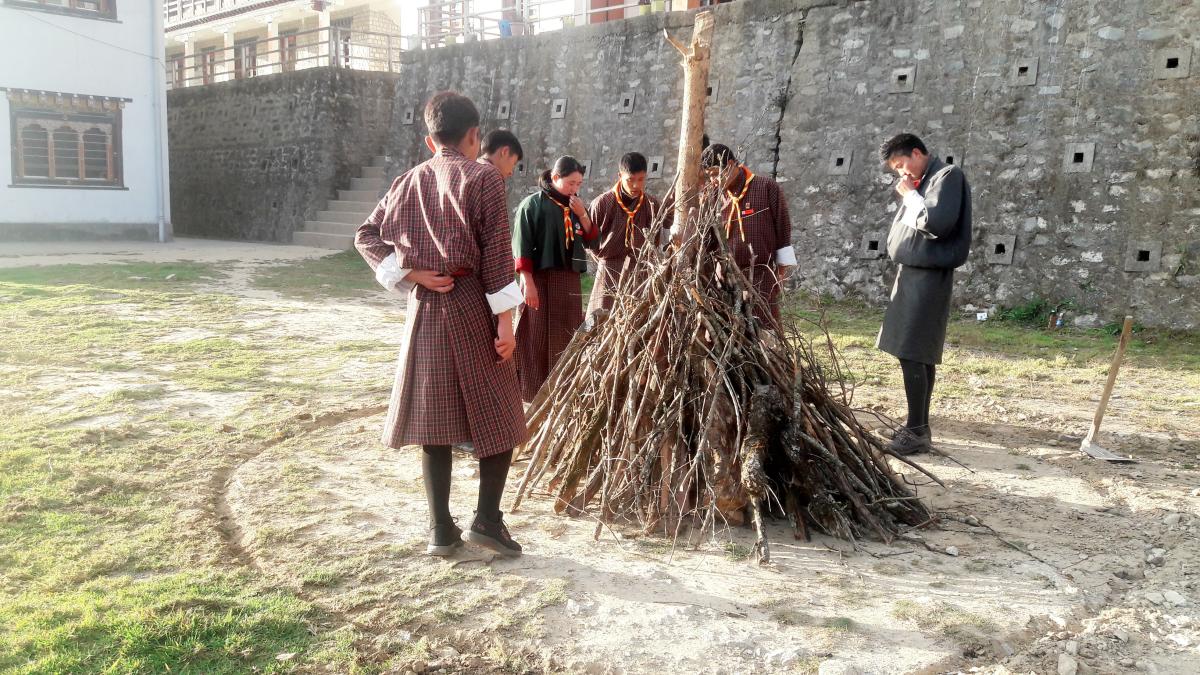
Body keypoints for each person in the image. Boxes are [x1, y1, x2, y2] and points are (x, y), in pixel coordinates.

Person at [354, 91, 527, 557]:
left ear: (430, 140)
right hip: (472, 304)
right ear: (474, 136)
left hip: (426, 308)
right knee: (502, 414)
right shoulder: (485, 176)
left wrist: (409, 273)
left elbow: (366, 235)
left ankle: (440, 531)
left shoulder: (406, 180)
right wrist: (506, 325)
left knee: (434, 421)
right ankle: (487, 521)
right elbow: (495, 255)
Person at [876, 133, 973, 455]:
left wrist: (910, 196)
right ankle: (917, 425)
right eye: (896, 169)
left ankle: (917, 429)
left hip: (927, 276)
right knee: (914, 352)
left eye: (902, 164)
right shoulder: (923, 180)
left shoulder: (947, 176)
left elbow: (936, 223)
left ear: (917, 153)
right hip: (912, 272)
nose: (902, 173)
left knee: (913, 351)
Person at [512, 155, 597, 401]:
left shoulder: (577, 206)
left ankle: (562, 389)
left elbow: (592, 240)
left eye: (579, 183)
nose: (575, 188)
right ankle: (531, 392)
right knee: (535, 333)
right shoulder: (533, 205)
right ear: (555, 177)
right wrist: (527, 283)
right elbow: (522, 246)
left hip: (568, 280)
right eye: (570, 183)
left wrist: (582, 215)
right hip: (538, 279)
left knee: (566, 332)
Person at [700, 143, 796, 324]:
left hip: (761, 277)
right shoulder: (712, 196)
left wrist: (779, 277)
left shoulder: (766, 188)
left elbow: (783, 233)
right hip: (725, 281)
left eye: (715, 173)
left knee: (765, 335)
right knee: (728, 333)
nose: (713, 180)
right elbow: (708, 243)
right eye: (709, 176)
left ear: (730, 164)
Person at [585, 152, 666, 318]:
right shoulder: (602, 203)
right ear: (620, 176)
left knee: (637, 321)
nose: (636, 185)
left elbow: (655, 240)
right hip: (609, 272)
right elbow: (590, 242)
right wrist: (607, 262)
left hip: (640, 271)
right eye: (630, 180)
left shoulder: (652, 204)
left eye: (641, 179)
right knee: (600, 322)